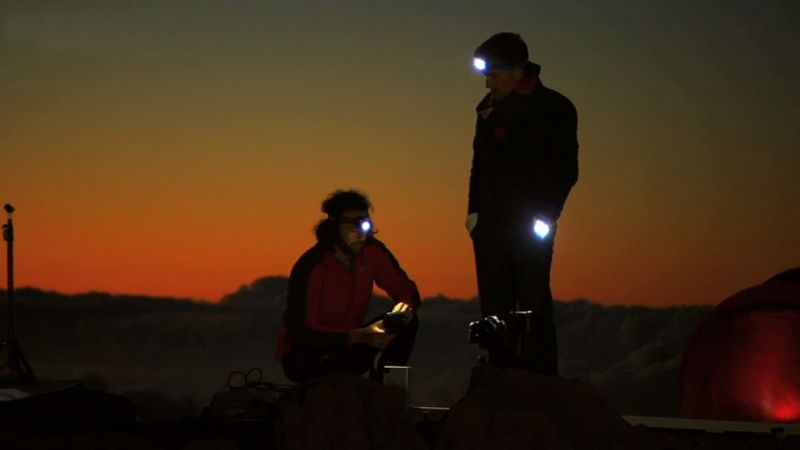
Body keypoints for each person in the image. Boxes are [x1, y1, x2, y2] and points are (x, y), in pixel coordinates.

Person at [467, 32, 578, 375]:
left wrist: (545, 217)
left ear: (517, 72)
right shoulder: (488, 110)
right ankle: (499, 374)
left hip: (530, 224)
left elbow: (566, 170)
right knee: (494, 304)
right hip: (490, 224)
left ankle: (540, 379)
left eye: (493, 75)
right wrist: (474, 214)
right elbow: (479, 165)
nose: (487, 83)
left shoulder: (554, 108)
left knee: (533, 301)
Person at [276, 189, 420, 383]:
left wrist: (403, 311)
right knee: (314, 365)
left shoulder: (372, 252)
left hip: (351, 346)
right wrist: (359, 337)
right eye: (352, 227)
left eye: (365, 226)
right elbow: (304, 333)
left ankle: (387, 389)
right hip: (307, 356)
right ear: (334, 228)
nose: (361, 235)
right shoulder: (312, 266)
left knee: (407, 323)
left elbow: (406, 291)